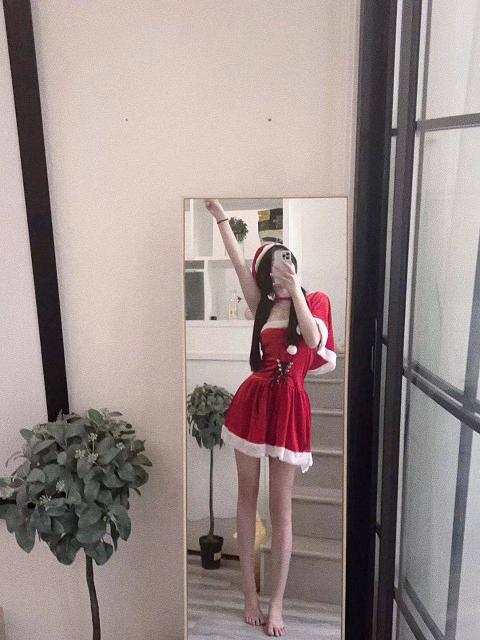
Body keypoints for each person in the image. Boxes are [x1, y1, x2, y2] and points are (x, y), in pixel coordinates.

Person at [204, 199, 336, 637]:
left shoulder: (314, 300)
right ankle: (249, 594)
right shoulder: (261, 304)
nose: (282, 268)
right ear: (266, 273)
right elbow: (236, 261)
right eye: (275, 265)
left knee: (282, 509)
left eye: (288, 261)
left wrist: (295, 289)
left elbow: (313, 339)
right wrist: (221, 217)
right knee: (247, 496)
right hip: (254, 401)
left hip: (290, 408)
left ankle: (276, 603)